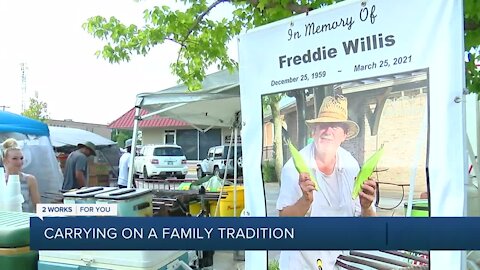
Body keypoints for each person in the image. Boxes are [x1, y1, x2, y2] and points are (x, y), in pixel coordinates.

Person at [276, 95, 377, 270]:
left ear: (344, 135)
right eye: (322, 125)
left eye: (335, 126)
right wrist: (305, 201)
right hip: (302, 264)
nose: (328, 130)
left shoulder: (351, 165)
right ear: (313, 131)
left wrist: (366, 207)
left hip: (338, 262)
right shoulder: (294, 168)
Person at [1, 138, 41, 212]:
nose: (20, 162)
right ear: (5, 161)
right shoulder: (1, 180)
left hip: (24, 221)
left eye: (21, 158)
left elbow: (38, 206)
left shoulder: (29, 179)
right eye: (15, 159)